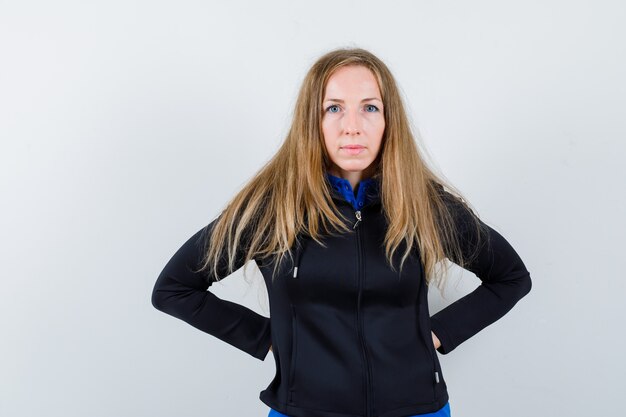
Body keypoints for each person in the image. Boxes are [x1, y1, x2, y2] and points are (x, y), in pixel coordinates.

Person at [151, 47, 532, 417]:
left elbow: (511, 278)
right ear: (311, 122)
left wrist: (434, 334)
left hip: (417, 409)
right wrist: (269, 338)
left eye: (370, 107)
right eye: (333, 108)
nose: (352, 126)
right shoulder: (272, 207)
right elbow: (174, 288)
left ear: (388, 120)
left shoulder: (425, 205)